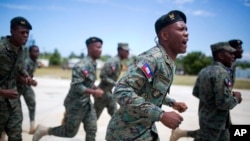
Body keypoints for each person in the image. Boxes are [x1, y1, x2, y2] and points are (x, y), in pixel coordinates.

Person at [105, 10, 189, 141]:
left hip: (145, 130)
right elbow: (121, 91)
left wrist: (172, 103)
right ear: (165, 35)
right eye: (181, 29)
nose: (186, 33)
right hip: (125, 134)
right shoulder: (151, 59)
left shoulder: (169, 63)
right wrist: (161, 115)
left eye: (186, 29)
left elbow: (150, 90)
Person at [170, 39, 244, 141]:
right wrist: (236, 98)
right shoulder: (222, 73)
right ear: (221, 56)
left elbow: (196, 92)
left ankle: (180, 133)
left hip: (206, 117)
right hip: (217, 122)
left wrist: (210, 102)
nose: (233, 56)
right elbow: (223, 103)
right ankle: (180, 133)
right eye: (230, 53)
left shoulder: (204, 70)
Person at [32, 37, 104, 141]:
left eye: (101, 47)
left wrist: (95, 87)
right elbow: (76, 85)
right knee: (70, 133)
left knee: (92, 129)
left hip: (87, 103)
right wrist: (94, 92)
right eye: (98, 47)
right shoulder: (81, 65)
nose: (100, 50)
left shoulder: (93, 63)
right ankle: (44, 130)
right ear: (90, 48)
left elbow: (87, 81)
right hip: (75, 104)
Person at [0, 16, 34, 141]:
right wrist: (3, 92)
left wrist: (26, 76)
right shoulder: (1, 49)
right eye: (22, 32)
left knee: (16, 136)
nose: (25, 35)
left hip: (13, 103)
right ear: (12, 31)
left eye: (27, 33)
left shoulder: (22, 50)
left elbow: (19, 68)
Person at [94, 43, 129, 119]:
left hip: (108, 93)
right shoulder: (113, 61)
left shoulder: (118, 62)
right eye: (126, 51)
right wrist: (116, 84)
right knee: (93, 118)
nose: (128, 53)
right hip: (102, 94)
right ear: (119, 50)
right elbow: (103, 76)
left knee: (116, 117)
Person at [17, 45, 40, 134]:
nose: (37, 53)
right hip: (17, 86)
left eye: (38, 51)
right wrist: (29, 82)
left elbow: (30, 74)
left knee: (32, 103)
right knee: (13, 108)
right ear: (30, 53)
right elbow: (17, 75)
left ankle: (32, 127)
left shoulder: (35, 62)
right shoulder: (26, 62)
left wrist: (32, 80)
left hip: (26, 87)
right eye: (35, 51)